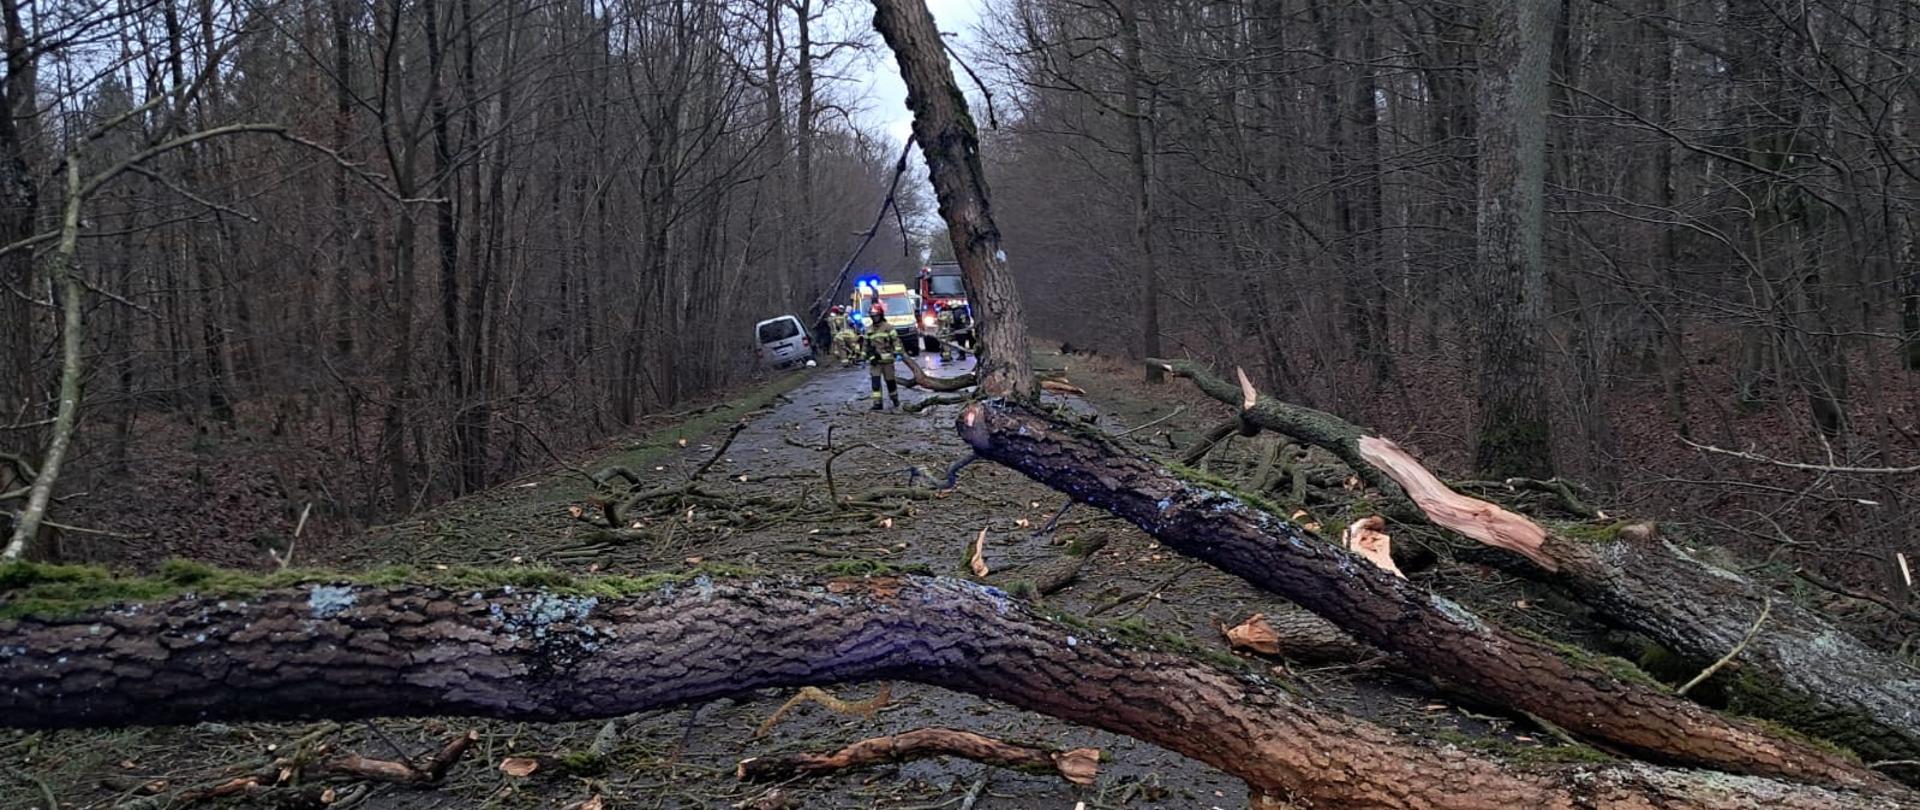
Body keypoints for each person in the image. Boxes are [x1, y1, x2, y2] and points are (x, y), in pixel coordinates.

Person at [863, 304, 902, 410]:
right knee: (875, 382)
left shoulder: (888, 327)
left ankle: (895, 399)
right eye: (872, 316)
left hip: (887, 361)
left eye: (876, 315)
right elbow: (865, 345)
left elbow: (896, 340)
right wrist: (864, 356)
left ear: (880, 315)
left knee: (890, 382)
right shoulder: (869, 329)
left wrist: (898, 352)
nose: (874, 318)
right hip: (875, 362)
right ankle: (877, 403)